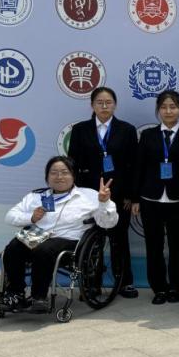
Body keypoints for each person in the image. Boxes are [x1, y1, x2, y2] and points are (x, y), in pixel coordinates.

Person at [0, 156, 118, 312]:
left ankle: (39, 297)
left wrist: (104, 202)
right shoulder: (36, 196)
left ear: (73, 175)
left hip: (70, 240)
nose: (59, 177)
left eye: (64, 172)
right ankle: (15, 294)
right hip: (38, 236)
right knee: (13, 247)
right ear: (47, 177)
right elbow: (10, 216)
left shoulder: (89, 196)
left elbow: (108, 223)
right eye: (54, 172)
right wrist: (31, 217)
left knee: (44, 249)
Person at [67, 86, 139, 298]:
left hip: (119, 195)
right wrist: (75, 194)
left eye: (108, 102)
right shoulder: (80, 130)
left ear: (115, 105)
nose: (104, 106)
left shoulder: (126, 130)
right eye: (100, 102)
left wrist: (131, 195)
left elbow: (133, 165)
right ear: (92, 105)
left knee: (119, 240)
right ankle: (91, 284)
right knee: (92, 241)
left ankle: (124, 282)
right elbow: (72, 164)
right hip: (89, 195)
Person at [132, 90, 179, 305]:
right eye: (164, 107)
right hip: (150, 199)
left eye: (173, 107)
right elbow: (138, 167)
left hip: (178, 199)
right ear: (158, 110)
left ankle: (175, 286)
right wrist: (135, 198)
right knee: (154, 246)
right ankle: (158, 288)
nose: (168, 111)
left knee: (178, 245)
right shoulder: (148, 135)